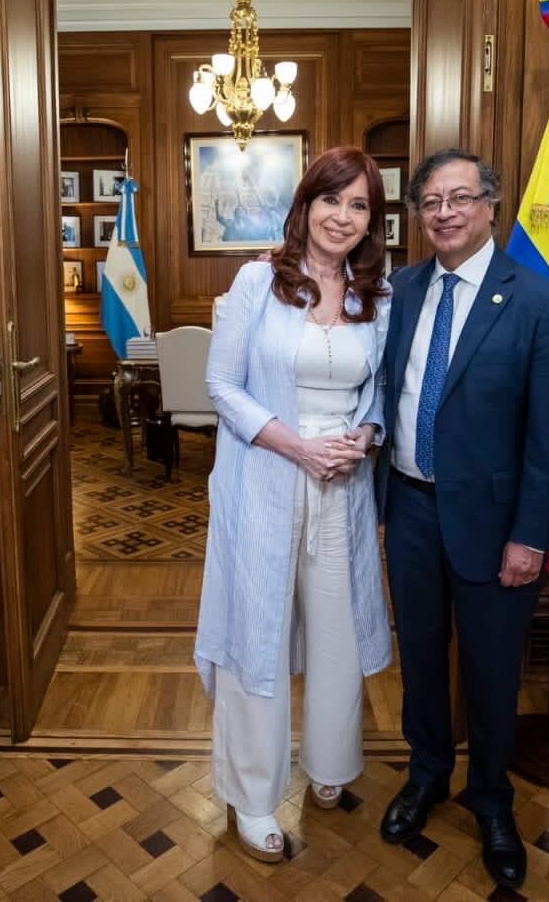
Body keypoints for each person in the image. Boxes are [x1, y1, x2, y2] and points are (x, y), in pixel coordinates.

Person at [378, 148, 549, 890]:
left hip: (497, 529)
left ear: (491, 204)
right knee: (422, 661)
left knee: (492, 675)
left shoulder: (537, 301)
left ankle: (492, 800)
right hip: (409, 510)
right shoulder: (400, 289)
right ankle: (427, 773)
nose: (444, 213)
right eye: (430, 201)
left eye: (460, 197)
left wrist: (530, 534)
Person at [196, 146, 393, 864]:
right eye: (331, 200)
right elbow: (224, 387)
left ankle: (331, 764)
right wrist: (298, 447)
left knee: (337, 630)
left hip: (344, 485)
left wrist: (365, 435)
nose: (342, 216)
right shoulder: (257, 282)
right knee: (262, 633)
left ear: (372, 220)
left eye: (359, 205)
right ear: (306, 205)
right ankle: (252, 795)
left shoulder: (380, 293)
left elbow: (379, 389)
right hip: (267, 478)